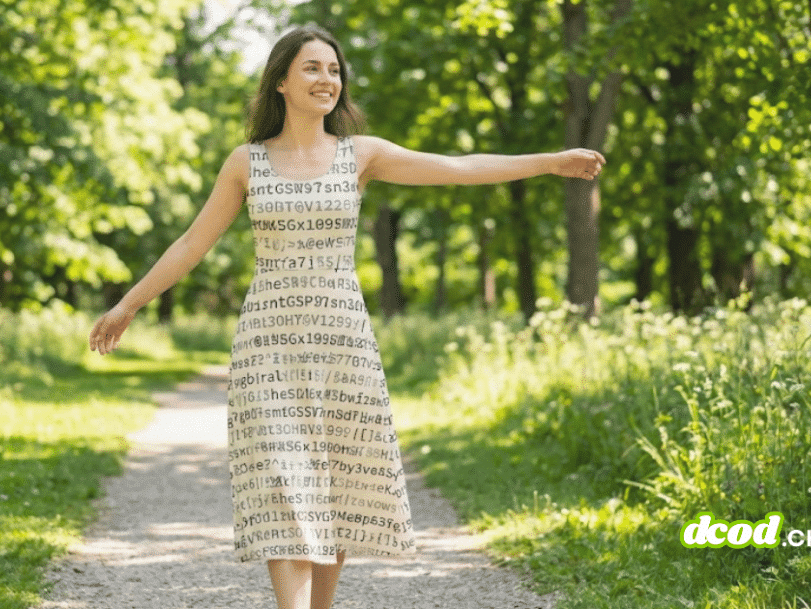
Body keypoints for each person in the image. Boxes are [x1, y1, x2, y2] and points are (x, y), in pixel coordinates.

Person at [89, 24, 605, 609]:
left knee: (333, 490)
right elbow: (190, 244)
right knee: (284, 488)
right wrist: (128, 303)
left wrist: (551, 162)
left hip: (343, 343)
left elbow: (459, 167)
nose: (326, 80)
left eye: (333, 71)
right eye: (312, 68)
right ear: (281, 81)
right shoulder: (246, 163)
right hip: (268, 348)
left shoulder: (360, 155)